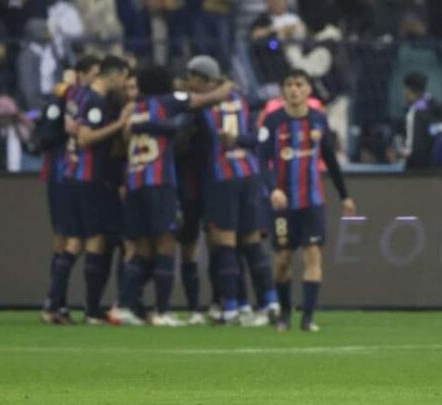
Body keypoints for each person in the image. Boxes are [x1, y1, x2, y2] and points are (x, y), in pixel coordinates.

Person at [109, 65, 233, 326]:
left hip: (134, 182)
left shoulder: (135, 107)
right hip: (159, 183)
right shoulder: (167, 102)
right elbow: (206, 99)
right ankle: (162, 311)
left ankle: (123, 307)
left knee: (141, 249)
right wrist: (226, 87)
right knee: (165, 244)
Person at [259, 69, 356, 332]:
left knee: (313, 256)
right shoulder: (273, 121)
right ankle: (284, 313)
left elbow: (329, 158)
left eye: (299, 84)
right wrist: (272, 189)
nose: (293, 89)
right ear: (283, 91)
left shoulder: (317, 120)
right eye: (288, 84)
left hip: (312, 201)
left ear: (307, 90)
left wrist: (344, 195)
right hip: (282, 204)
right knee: (283, 260)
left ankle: (308, 318)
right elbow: (261, 159)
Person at [186, 55, 279, 326]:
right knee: (251, 243)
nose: (190, 83)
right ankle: (269, 302)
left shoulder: (201, 106)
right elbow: (258, 139)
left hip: (220, 179)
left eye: (193, 77)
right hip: (248, 174)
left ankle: (230, 308)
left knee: (224, 244)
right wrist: (239, 140)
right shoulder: (241, 99)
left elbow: (193, 146)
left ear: (204, 80)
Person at [61, 55, 133, 323]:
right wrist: (119, 124)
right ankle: (91, 309)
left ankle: (72, 306)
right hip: (89, 178)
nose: (124, 84)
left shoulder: (86, 97)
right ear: (114, 75)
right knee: (95, 240)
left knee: (86, 241)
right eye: (123, 78)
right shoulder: (95, 101)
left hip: (83, 178)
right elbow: (86, 138)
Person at [40, 55, 100, 324]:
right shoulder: (67, 98)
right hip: (62, 175)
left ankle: (57, 305)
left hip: (68, 175)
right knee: (68, 240)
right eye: (94, 74)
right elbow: (48, 133)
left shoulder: (71, 96)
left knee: (68, 241)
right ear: (82, 74)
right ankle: (53, 304)